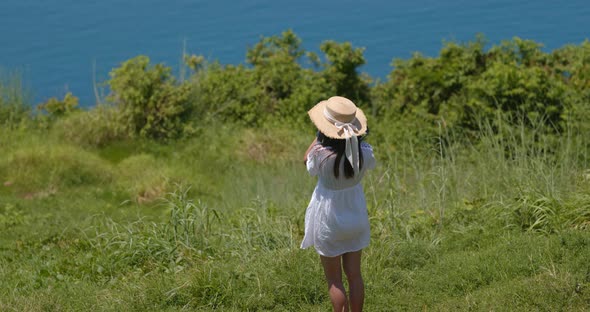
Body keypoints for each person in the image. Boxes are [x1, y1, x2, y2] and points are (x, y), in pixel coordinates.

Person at [301, 96, 376, 312]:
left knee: (334, 280)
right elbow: (365, 158)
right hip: (355, 216)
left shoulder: (321, 156)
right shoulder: (364, 153)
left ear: (325, 131)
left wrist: (318, 139)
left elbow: (305, 160)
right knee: (355, 276)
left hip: (329, 221)